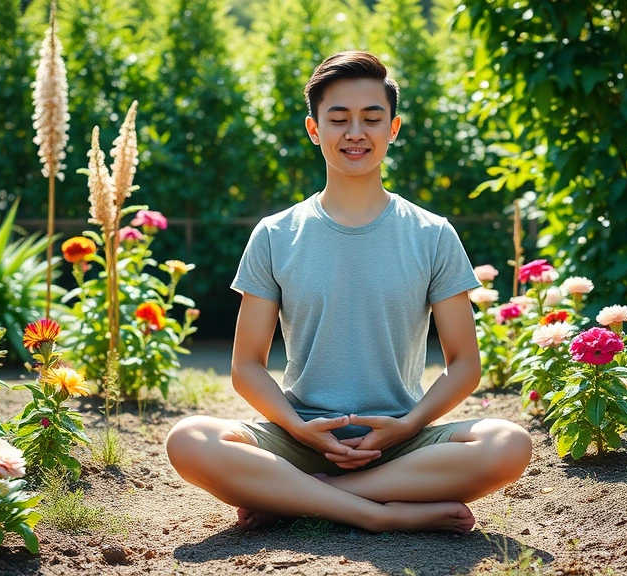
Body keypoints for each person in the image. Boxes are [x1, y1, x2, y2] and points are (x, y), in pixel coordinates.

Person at [166, 51, 532, 534]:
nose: (355, 132)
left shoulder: (432, 233)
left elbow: (464, 363)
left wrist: (407, 425)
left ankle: (300, 497)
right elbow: (246, 366)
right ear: (314, 130)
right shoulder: (276, 234)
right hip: (300, 439)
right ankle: (378, 514)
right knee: (187, 438)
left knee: (510, 443)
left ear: (393, 128)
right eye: (338, 119)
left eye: (371, 118)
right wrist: (299, 430)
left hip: (402, 440)